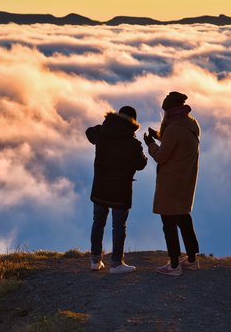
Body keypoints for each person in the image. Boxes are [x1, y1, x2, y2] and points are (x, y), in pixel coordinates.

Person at [143, 91, 201, 276]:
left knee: (168, 223)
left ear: (170, 110)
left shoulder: (174, 128)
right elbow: (177, 143)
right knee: (184, 219)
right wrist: (160, 136)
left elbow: (161, 156)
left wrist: (150, 143)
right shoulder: (191, 123)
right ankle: (192, 259)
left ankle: (174, 265)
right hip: (186, 180)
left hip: (171, 182)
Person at [86, 106, 148, 273]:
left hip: (100, 188)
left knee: (98, 221)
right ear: (133, 122)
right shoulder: (133, 143)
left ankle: (95, 260)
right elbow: (141, 164)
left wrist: (103, 128)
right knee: (119, 226)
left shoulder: (102, 134)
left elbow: (89, 132)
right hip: (120, 191)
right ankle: (116, 263)